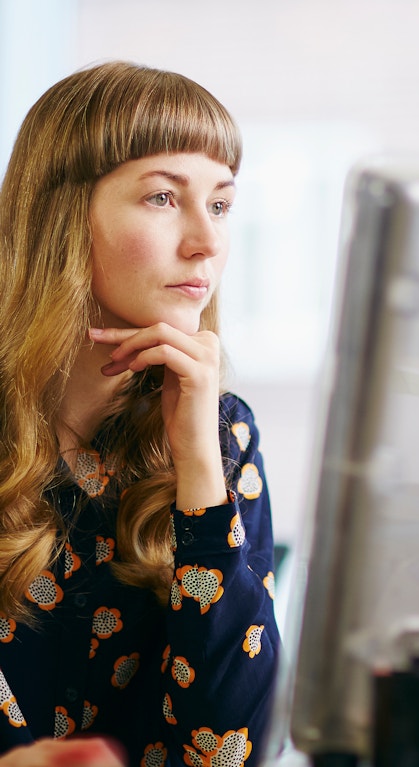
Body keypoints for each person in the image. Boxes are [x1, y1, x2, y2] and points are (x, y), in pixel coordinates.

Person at [0, 61, 280, 766]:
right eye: (162, 197)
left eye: (219, 205)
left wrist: (196, 462)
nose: (207, 242)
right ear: (62, 217)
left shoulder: (221, 434)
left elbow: (229, 748)